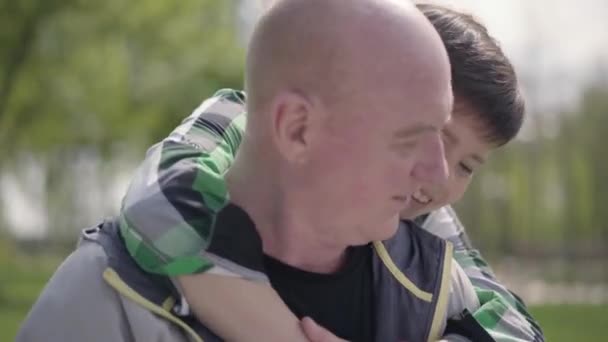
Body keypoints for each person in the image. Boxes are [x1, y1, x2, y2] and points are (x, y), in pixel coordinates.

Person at [17, 0, 465, 341]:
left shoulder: (442, 288)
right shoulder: (106, 296)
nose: (439, 174)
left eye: (441, 137)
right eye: (408, 139)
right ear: (297, 128)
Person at [106, 3, 544, 342]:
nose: (438, 176)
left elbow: (511, 322)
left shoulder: (424, 213)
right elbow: (161, 203)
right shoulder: (244, 119)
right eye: (423, 136)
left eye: (467, 166)